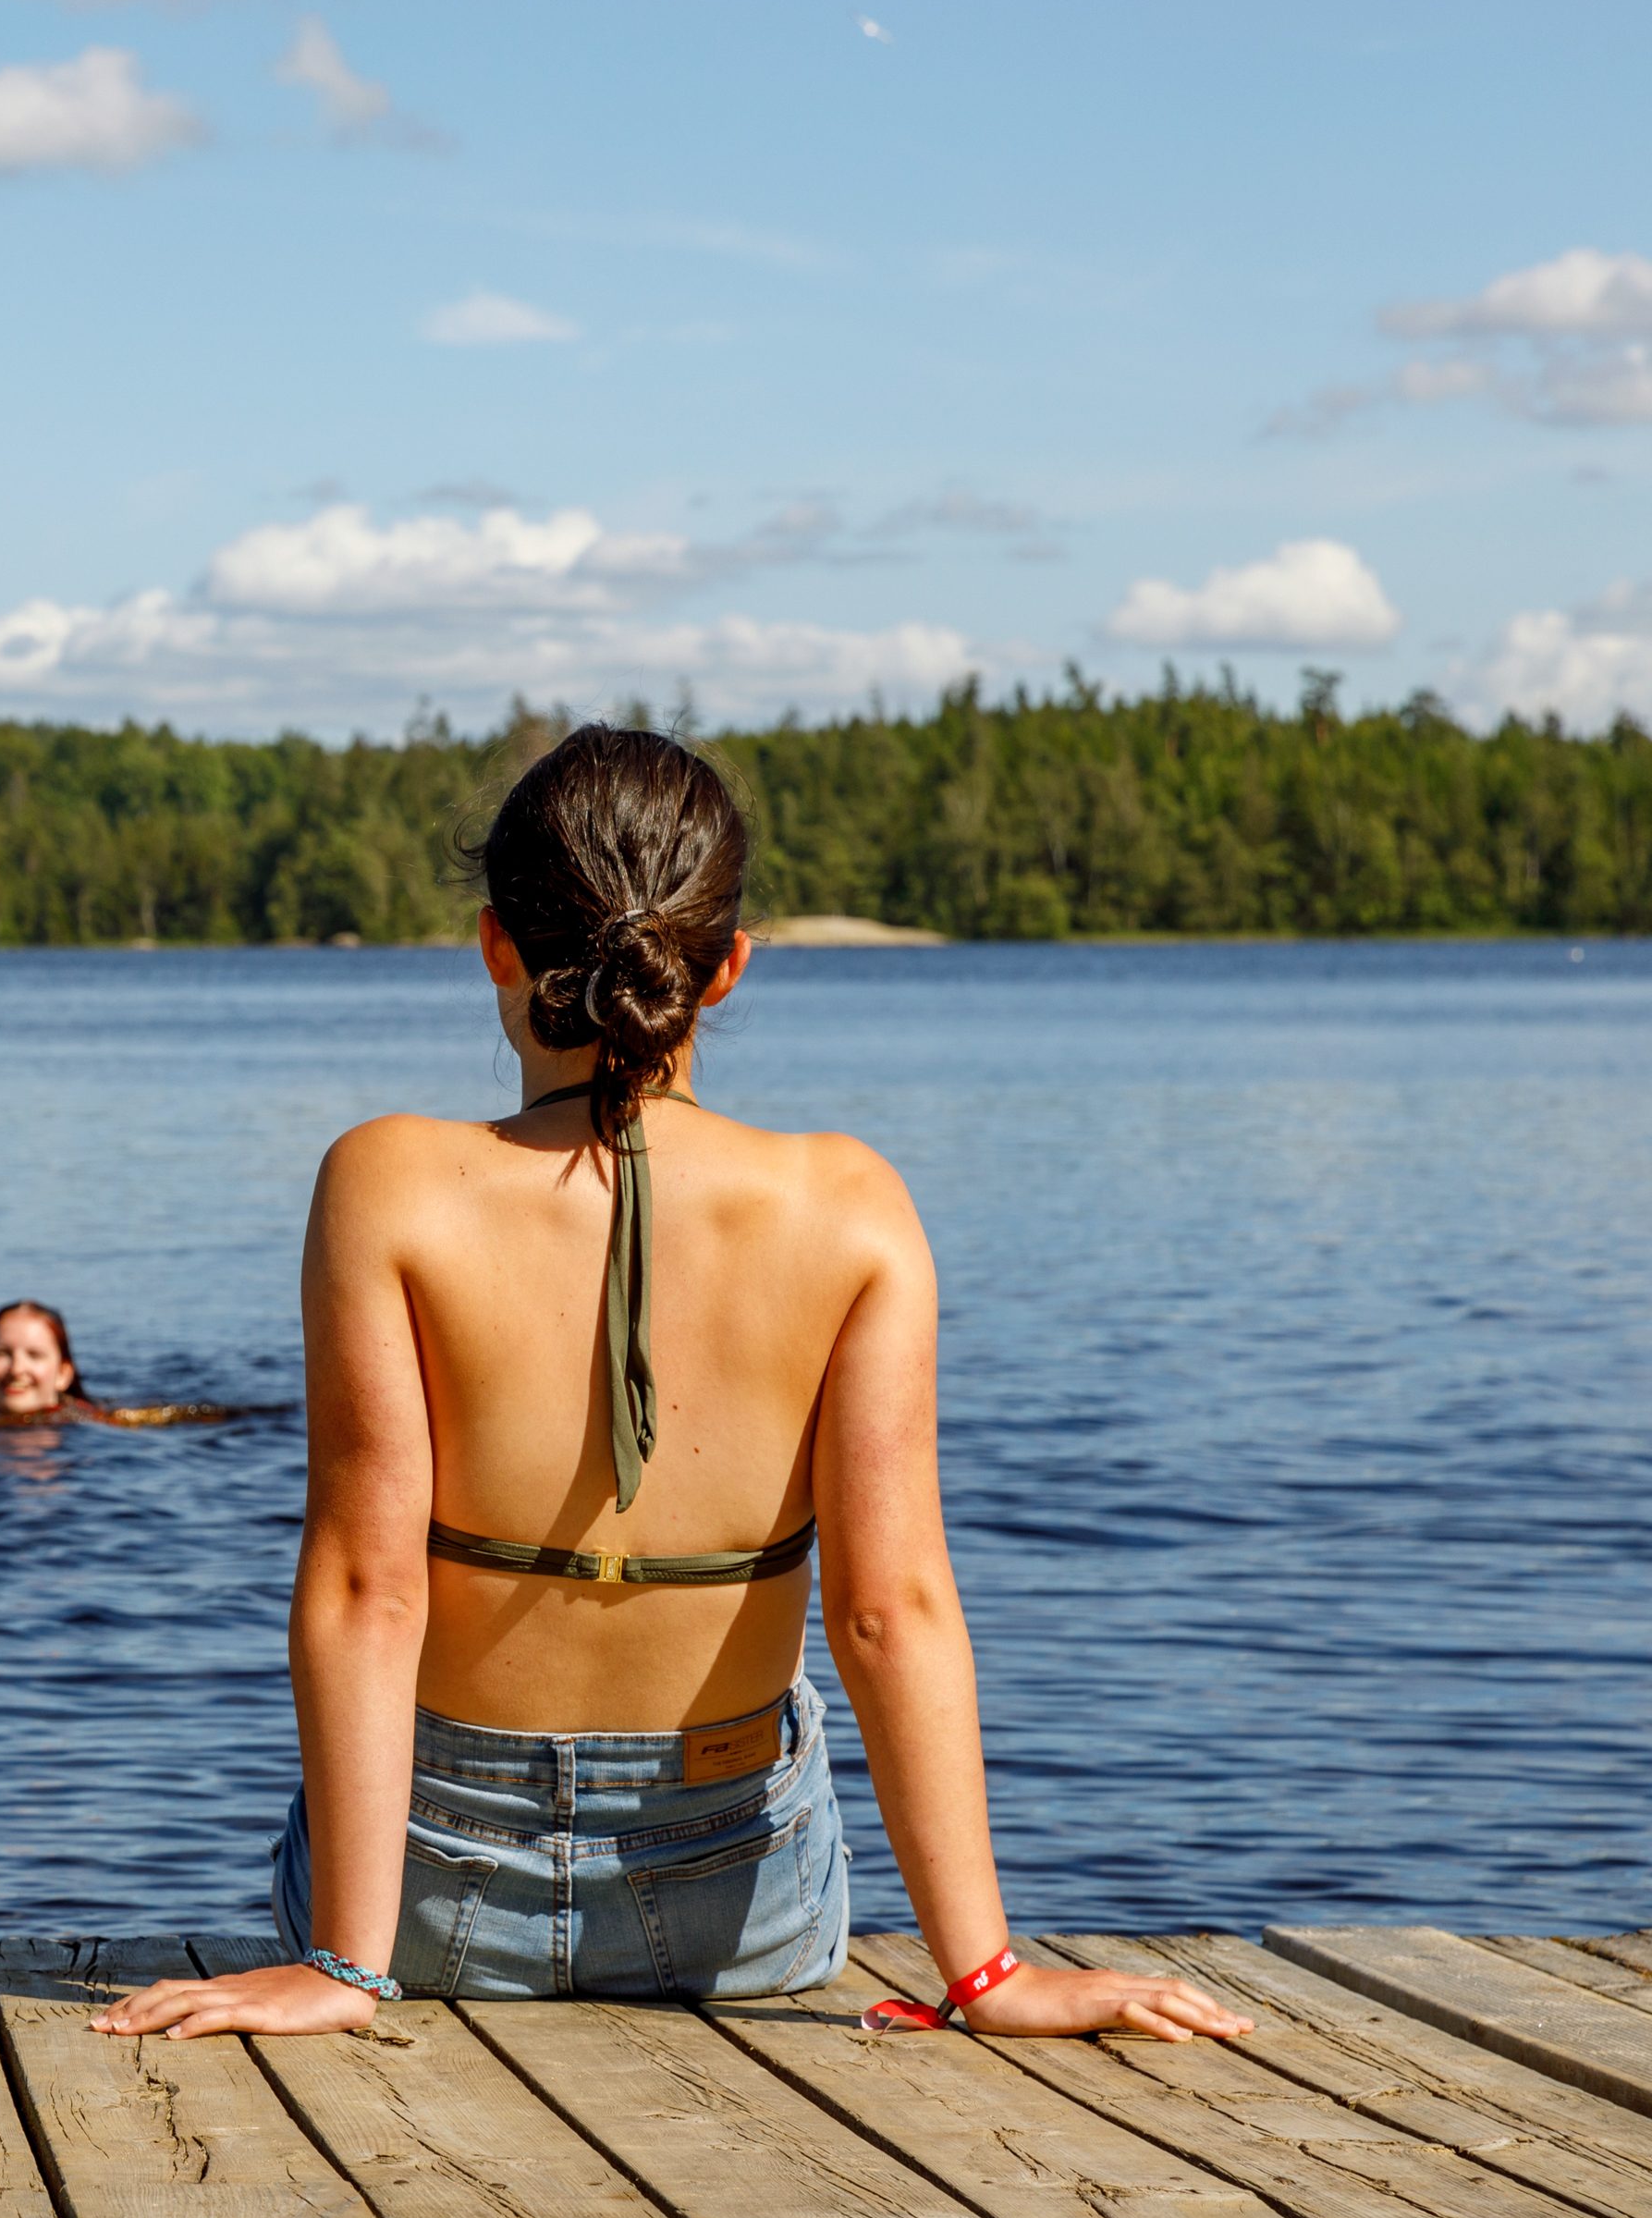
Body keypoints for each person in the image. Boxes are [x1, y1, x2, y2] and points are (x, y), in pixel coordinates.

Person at [98, 725, 1252, 2044]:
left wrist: (347, 1969)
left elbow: (370, 1587)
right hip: (742, 1915)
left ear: (495, 947)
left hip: (429, 1900)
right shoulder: (851, 1208)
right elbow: (893, 1612)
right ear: (728, 968)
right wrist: (989, 1973)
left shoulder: (387, 1184)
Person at [0, 1302, 116, 1427]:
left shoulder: (92, 1427)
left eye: (34, 1355)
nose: (16, 1369)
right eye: (2, 1353)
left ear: (63, 1374)